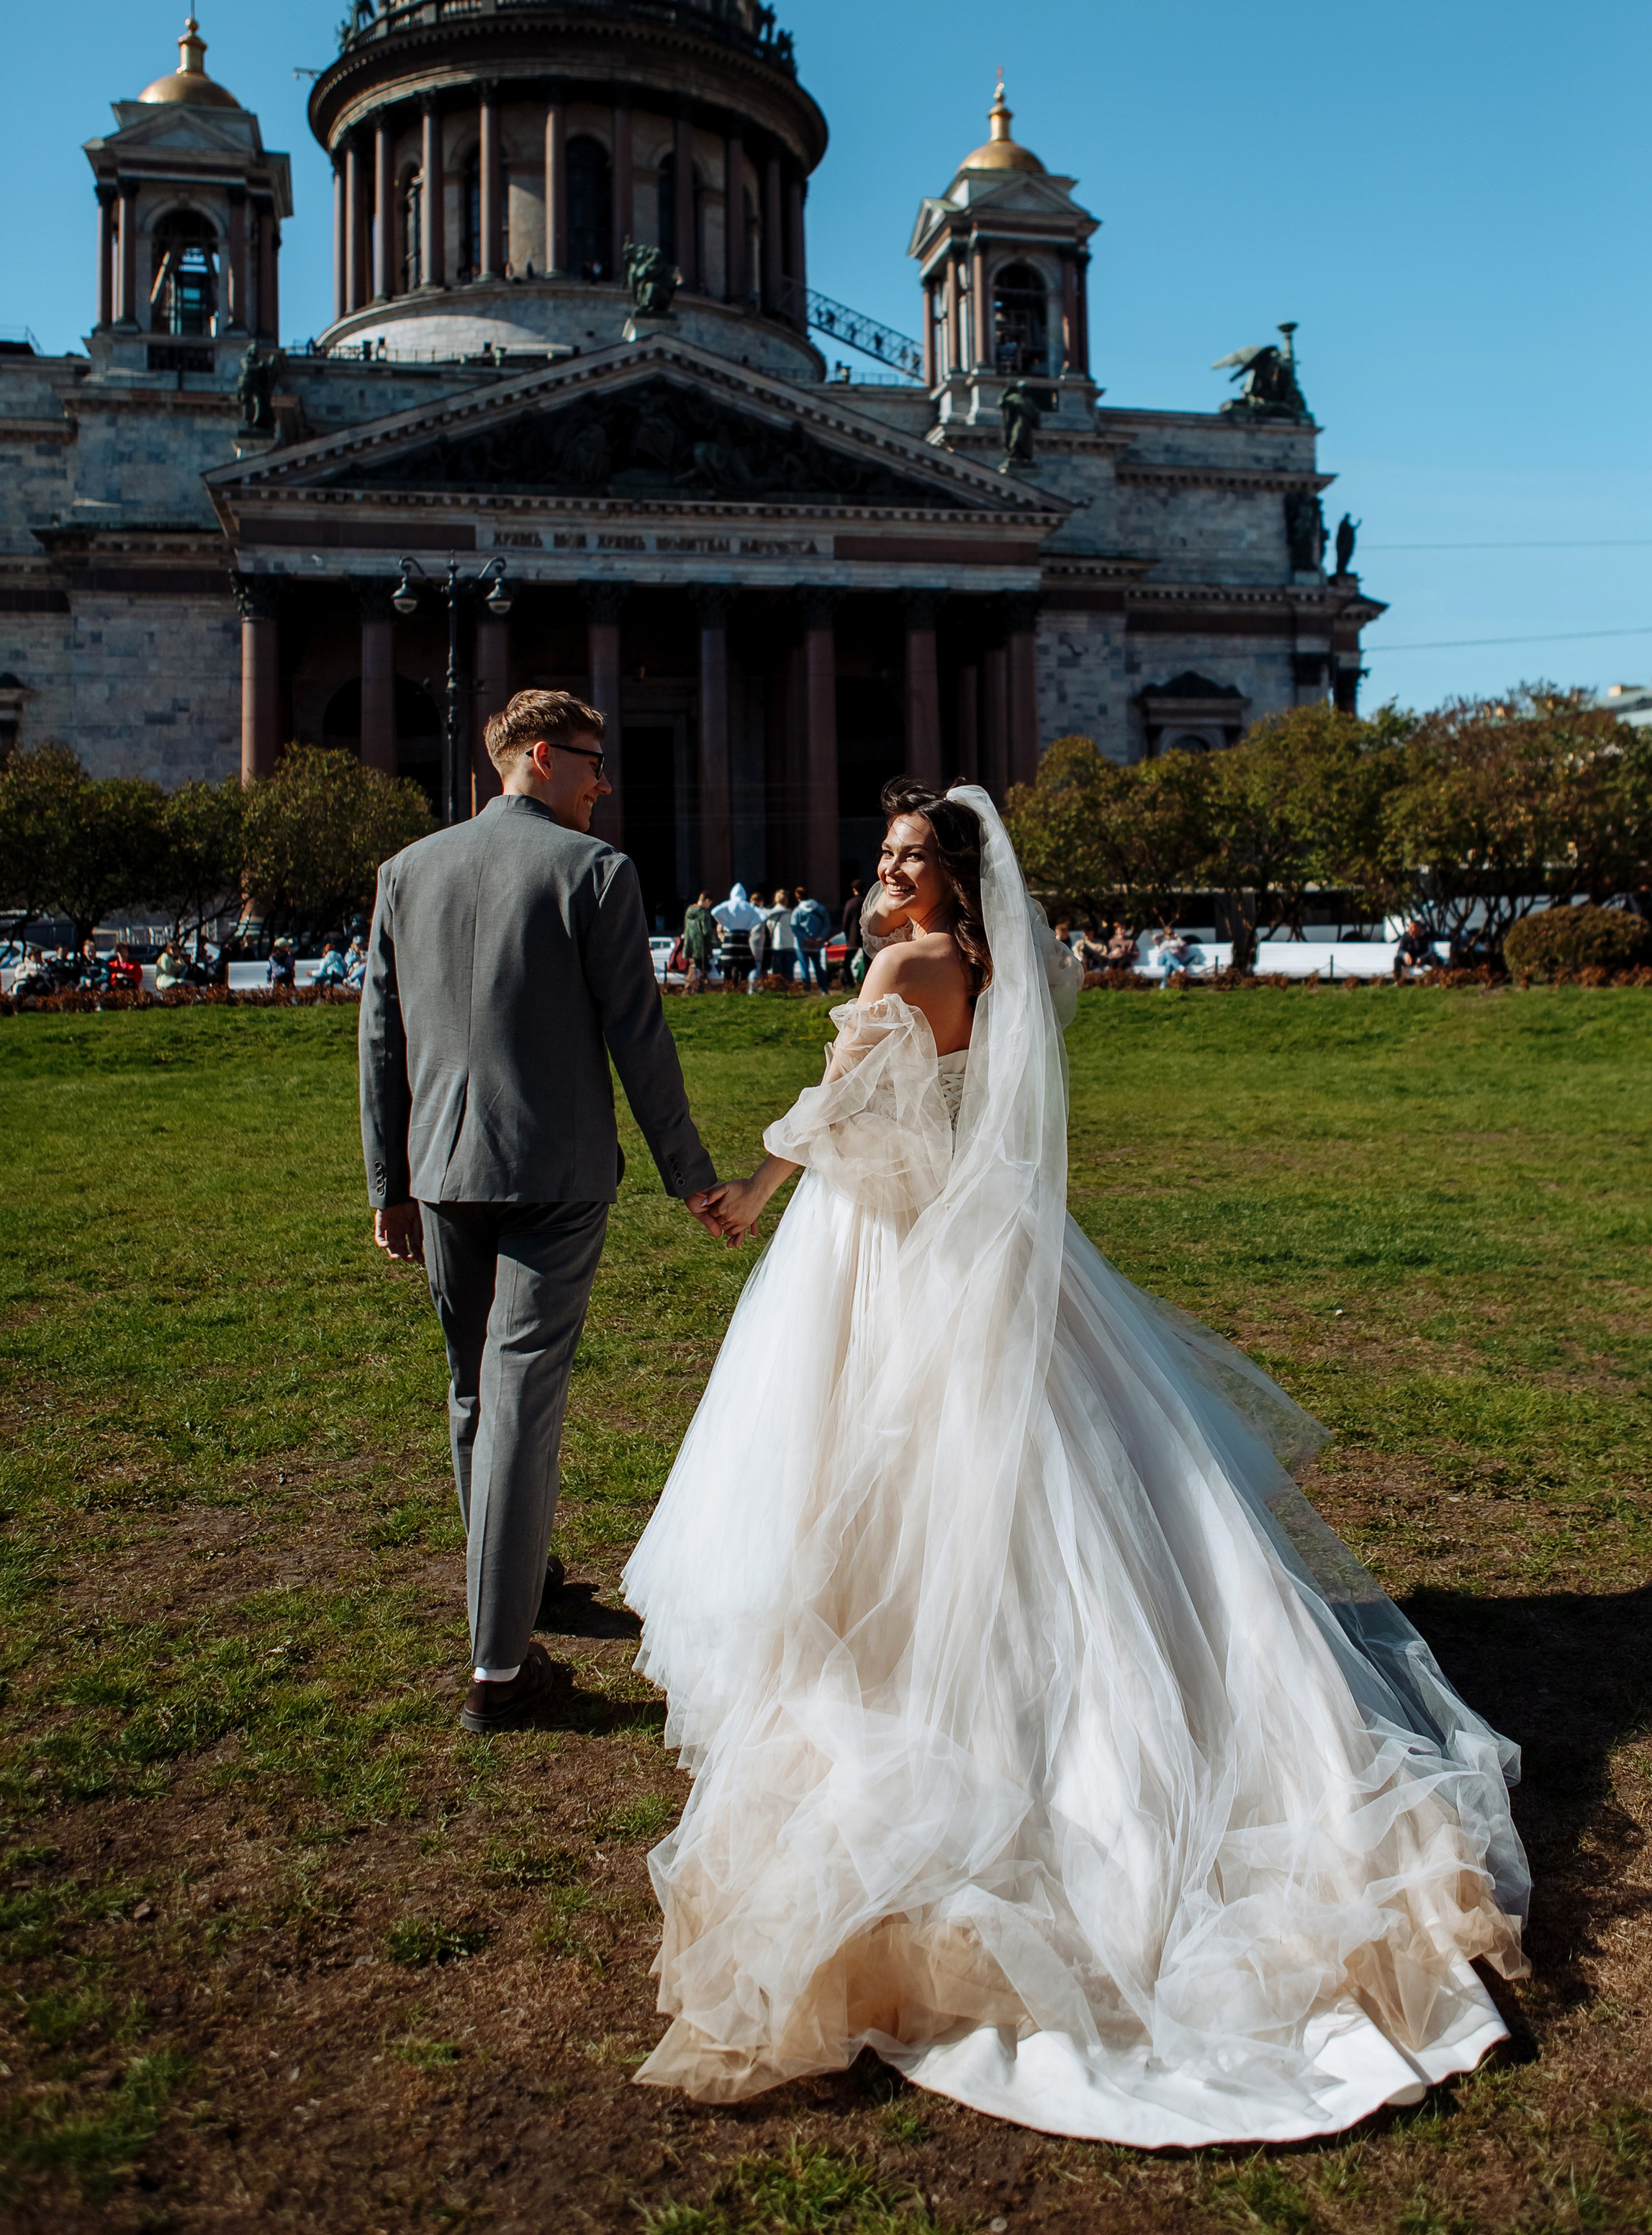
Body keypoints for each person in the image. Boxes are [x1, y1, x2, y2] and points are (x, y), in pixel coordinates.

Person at [625, 778, 1527, 2144]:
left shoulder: (906, 962)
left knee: (889, 1489)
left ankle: (914, 1709)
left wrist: (744, 1190)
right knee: (1051, 1491)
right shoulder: (1005, 966)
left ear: (950, 882)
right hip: (975, 1252)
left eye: (912, 857)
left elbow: (841, 1113)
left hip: (890, 1252)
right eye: (884, 853)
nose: (890, 871)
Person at [360, 687, 727, 1735]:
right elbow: (639, 1040)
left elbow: (379, 1043)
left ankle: (518, 1588)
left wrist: (388, 1180)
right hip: (556, 1175)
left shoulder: (406, 872)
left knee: (473, 1392)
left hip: (441, 1173)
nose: (603, 782)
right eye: (589, 762)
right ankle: (500, 1668)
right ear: (530, 758)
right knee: (519, 1395)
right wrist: (688, 1171)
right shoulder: (597, 873)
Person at [713, 883, 760, 986]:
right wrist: (749, 926)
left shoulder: (729, 906)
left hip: (729, 940)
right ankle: (741, 987)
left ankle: (728, 987)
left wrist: (726, 923)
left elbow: (715, 911)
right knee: (743, 967)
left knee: (728, 968)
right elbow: (762, 915)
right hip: (743, 941)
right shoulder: (747, 907)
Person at [790, 883, 830, 993]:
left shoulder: (797, 911)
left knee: (804, 967)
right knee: (818, 966)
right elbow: (827, 925)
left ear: (798, 898)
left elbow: (794, 927)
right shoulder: (820, 909)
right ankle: (823, 989)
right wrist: (819, 938)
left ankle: (806, 989)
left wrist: (805, 938)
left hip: (802, 944)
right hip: (817, 944)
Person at [681, 890, 716, 995]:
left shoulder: (690, 910)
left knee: (696, 967)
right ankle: (699, 989)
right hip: (702, 947)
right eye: (710, 903)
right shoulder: (704, 913)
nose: (709, 906)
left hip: (690, 945)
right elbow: (706, 931)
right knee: (703, 968)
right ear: (707, 900)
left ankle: (692, 989)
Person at [764, 890, 798, 986]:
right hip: (789, 945)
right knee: (789, 970)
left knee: (777, 971)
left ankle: (778, 987)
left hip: (777, 945)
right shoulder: (790, 914)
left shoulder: (771, 914)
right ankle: (789, 987)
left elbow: (769, 928)